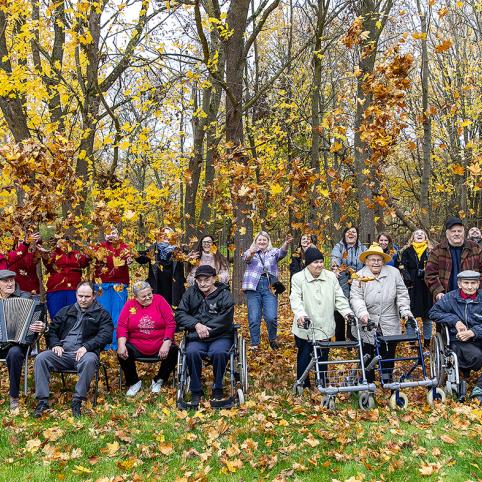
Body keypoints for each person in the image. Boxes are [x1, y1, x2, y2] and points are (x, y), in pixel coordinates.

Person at [33, 281, 113, 418]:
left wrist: (86, 347)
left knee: (90, 360)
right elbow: (52, 330)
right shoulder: (66, 311)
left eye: (87, 296)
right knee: (41, 358)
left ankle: (77, 400)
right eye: (80, 296)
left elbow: (106, 335)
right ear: (76, 295)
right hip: (62, 353)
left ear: (94, 296)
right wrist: (55, 344)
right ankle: (42, 401)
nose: (83, 299)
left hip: (85, 354)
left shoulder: (102, 314)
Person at [290, 247, 353, 387]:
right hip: (306, 324)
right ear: (307, 264)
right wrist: (301, 314)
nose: (319, 265)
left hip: (325, 324)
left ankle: (323, 382)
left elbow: (339, 298)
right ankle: (302, 383)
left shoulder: (330, 277)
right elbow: (295, 298)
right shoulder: (298, 278)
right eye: (315, 262)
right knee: (305, 355)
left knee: (323, 355)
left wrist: (348, 313)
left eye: (321, 261)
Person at [350, 244, 413, 383]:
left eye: (379, 260)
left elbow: (402, 294)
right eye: (372, 260)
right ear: (367, 261)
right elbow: (356, 298)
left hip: (389, 319)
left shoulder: (394, 273)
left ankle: (387, 380)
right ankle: (369, 382)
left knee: (388, 352)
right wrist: (362, 314)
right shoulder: (359, 276)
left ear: (383, 261)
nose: (376, 263)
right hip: (367, 320)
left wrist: (405, 311)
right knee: (367, 353)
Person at [175, 265, 234, 405]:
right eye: (199, 280)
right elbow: (180, 313)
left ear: (214, 279)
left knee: (219, 352)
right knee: (192, 352)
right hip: (197, 336)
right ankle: (196, 390)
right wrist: (196, 325)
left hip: (220, 335)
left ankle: (218, 387)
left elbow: (225, 319)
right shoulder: (190, 293)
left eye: (206, 280)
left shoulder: (225, 294)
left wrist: (206, 330)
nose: (202, 283)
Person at [429, 270, 482, 403]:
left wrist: (474, 332)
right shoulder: (450, 298)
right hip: (458, 339)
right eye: (466, 283)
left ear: (478, 284)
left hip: (479, 337)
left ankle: (479, 389)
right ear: (459, 284)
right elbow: (433, 312)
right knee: (477, 356)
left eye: (473, 283)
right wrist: (455, 321)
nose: (470, 286)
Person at [117, 281, 178, 396]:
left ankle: (159, 380)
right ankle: (134, 382)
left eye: (149, 294)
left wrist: (166, 343)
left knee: (173, 351)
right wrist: (121, 344)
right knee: (122, 351)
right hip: (136, 345)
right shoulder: (130, 305)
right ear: (136, 297)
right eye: (143, 296)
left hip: (160, 344)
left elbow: (171, 323)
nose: (148, 297)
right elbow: (122, 325)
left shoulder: (159, 300)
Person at [0, 270, 45, 411]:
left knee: (14, 353)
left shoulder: (27, 297)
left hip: (19, 344)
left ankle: (14, 396)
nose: (10, 284)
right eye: (5, 281)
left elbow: (41, 319)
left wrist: (42, 326)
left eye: (11, 280)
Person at [242, 231, 292, 350]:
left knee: (271, 317)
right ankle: (255, 343)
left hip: (270, 287)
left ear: (268, 241)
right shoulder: (250, 252)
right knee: (254, 317)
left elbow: (282, 252)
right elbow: (246, 258)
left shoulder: (273, 252)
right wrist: (252, 251)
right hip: (253, 286)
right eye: (259, 240)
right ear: (256, 241)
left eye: (264, 239)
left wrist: (286, 243)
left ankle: (272, 339)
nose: (262, 242)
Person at [92, 228, 133, 350]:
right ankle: (103, 343)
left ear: (118, 235)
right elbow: (90, 258)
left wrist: (129, 260)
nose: (111, 235)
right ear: (104, 235)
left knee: (118, 314)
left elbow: (129, 258)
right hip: (102, 285)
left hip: (119, 285)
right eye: (108, 233)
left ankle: (117, 343)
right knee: (103, 313)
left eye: (113, 233)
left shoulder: (124, 247)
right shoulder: (99, 247)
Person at [425, 216, 482, 302]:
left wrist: (477, 289)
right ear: (447, 234)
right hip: (446, 298)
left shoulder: (476, 248)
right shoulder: (437, 250)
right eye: (453, 231)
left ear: (464, 233)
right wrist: (438, 291)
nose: (457, 234)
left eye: (459, 231)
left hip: (473, 298)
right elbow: (430, 274)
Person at [330, 226, 367, 341]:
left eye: (354, 232)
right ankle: (340, 340)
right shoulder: (339, 247)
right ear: (344, 234)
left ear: (357, 235)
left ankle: (352, 337)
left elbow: (367, 262)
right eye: (348, 232)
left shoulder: (363, 248)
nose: (351, 234)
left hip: (357, 282)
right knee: (339, 308)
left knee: (355, 307)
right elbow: (335, 258)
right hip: (342, 281)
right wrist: (335, 269)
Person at [400, 229, 434, 348]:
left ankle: (427, 342)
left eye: (422, 233)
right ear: (412, 237)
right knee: (411, 315)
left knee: (427, 316)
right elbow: (402, 266)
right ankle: (411, 341)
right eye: (416, 233)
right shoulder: (407, 251)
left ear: (426, 237)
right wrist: (407, 278)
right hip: (412, 286)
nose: (419, 235)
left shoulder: (430, 251)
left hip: (426, 287)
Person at [41, 237, 90, 319]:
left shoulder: (76, 254)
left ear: (69, 244)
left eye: (65, 243)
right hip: (56, 289)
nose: (63, 245)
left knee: (74, 316)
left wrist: (89, 255)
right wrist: (45, 257)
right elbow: (48, 266)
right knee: (56, 316)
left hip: (74, 289)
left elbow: (84, 263)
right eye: (60, 243)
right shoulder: (53, 254)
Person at [136, 228, 185, 307]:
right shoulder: (154, 248)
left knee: (173, 307)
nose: (165, 237)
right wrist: (133, 254)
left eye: (168, 235)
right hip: (157, 284)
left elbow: (187, 258)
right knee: (158, 305)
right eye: (162, 235)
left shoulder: (178, 249)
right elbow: (142, 259)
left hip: (173, 285)